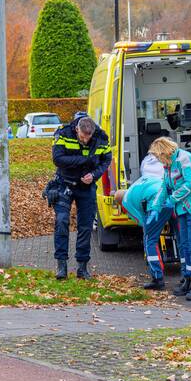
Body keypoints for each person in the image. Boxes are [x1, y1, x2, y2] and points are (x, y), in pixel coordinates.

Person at [148, 137, 191, 301]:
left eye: (158, 157)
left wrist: (173, 199)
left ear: (164, 152)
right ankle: (188, 278)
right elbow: (165, 187)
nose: (158, 161)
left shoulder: (184, 159)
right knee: (184, 245)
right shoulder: (168, 166)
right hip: (184, 209)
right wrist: (155, 207)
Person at [51, 114, 111, 280]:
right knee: (62, 222)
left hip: (87, 186)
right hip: (65, 183)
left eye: (88, 137)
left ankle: (82, 268)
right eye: (82, 136)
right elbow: (57, 159)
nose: (85, 140)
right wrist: (84, 161)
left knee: (85, 227)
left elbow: (106, 160)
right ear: (77, 129)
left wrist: (94, 174)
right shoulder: (63, 134)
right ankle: (61, 266)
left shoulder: (101, 138)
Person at [113, 154, 171, 290]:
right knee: (181, 239)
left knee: (149, 240)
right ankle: (187, 276)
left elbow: (141, 221)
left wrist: (150, 227)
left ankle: (158, 278)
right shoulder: (138, 184)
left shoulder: (126, 202)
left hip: (157, 204)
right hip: (171, 199)